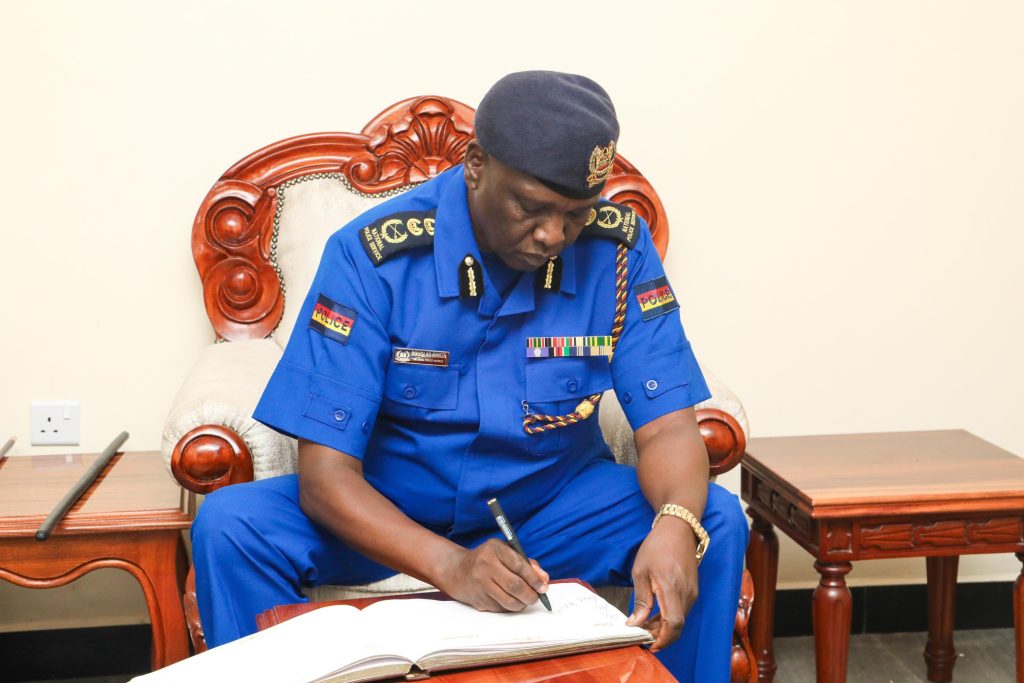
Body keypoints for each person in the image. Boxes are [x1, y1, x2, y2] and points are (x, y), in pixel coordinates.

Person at [191, 71, 748, 681]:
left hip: (551, 504)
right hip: (392, 507)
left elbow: (668, 428)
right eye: (532, 208)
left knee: (710, 523)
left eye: (576, 215)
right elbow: (325, 480)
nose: (553, 236)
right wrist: (451, 565)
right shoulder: (372, 256)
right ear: (476, 163)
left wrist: (675, 523)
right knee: (230, 527)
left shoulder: (619, 248)